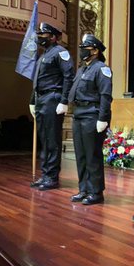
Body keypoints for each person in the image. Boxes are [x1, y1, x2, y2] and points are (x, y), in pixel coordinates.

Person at [28, 23, 74, 191]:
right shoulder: (43, 55)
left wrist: (64, 101)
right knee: (44, 140)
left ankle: (52, 177)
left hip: (53, 99)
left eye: (45, 34)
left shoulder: (61, 52)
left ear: (54, 37)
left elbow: (69, 76)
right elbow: (37, 82)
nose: (41, 37)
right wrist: (33, 100)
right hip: (42, 99)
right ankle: (45, 174)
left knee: (52, 140)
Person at [67, 33, 111, 205]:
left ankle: (96, 192)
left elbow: (105, 96)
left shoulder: (102, 69)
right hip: (79, 114)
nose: (82, 51)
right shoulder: (82, 69)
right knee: (81, 155)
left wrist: (103, 118)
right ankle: (83, 189)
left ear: (95, 51)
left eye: (86, 48)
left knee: (92, 155)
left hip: (92, 114)